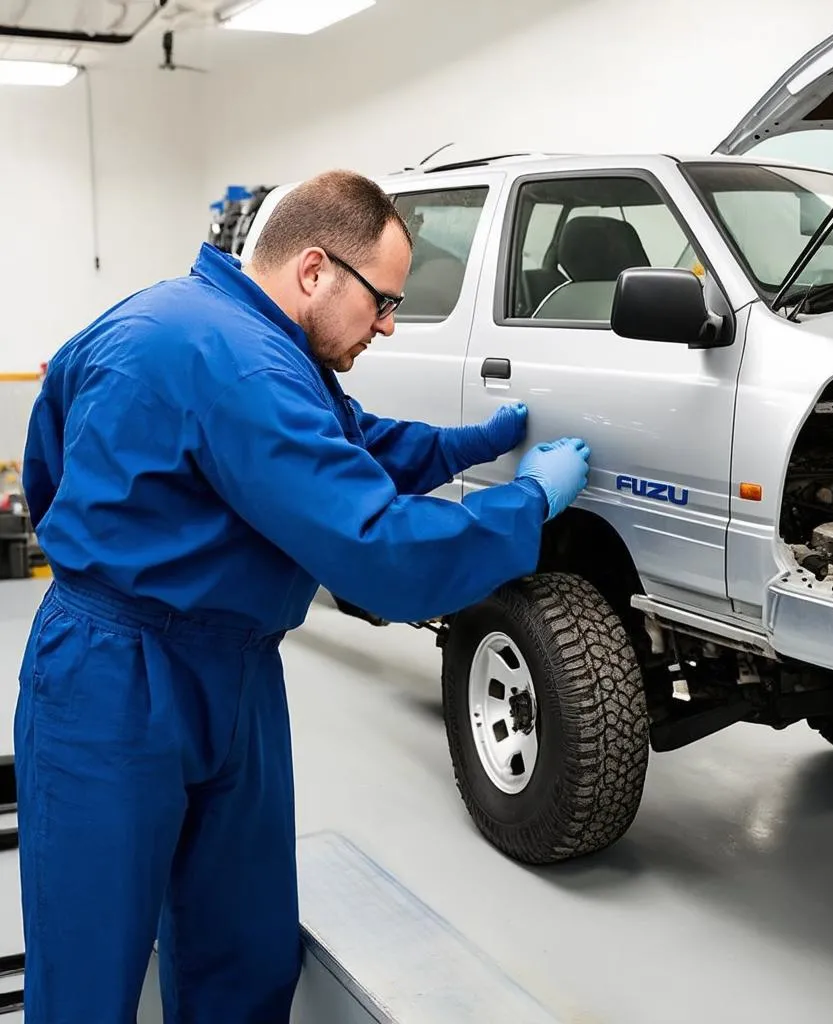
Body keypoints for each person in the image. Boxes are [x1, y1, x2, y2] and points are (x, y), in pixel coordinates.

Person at [14, 169, 591, 1023]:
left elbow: (338, 445)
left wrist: (474, 443)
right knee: (88, 976)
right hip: (114, 681)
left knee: (241, 946)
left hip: (231, 667)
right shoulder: (239, 364)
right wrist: (528, 502)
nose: (388, 325)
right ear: (316, 270)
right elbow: (379, 552)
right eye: (383, 302)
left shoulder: (212, 329)